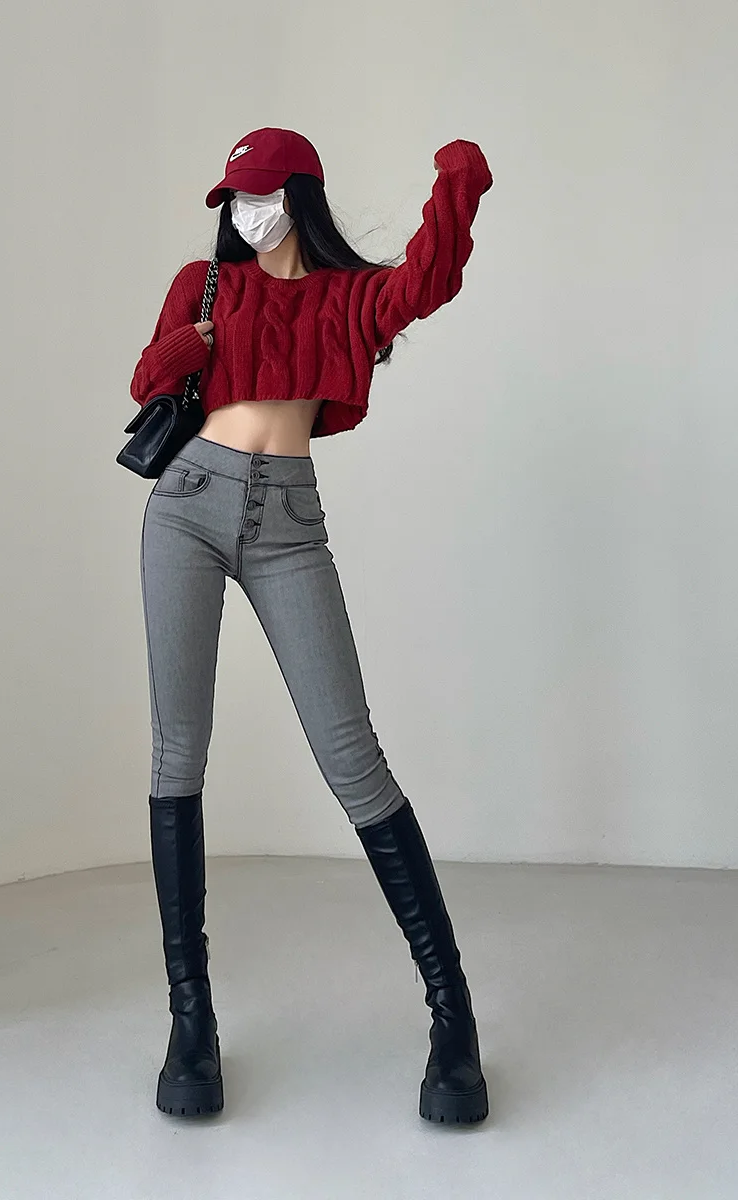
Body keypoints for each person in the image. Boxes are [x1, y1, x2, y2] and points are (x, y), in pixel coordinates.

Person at [129, 126, 493, 1124]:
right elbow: (147, 381)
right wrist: (190, 347)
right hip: (185, 507)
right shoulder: (204, 287)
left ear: (299, 196)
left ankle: (453, 1017)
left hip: (288, 524)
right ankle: (191, 1020)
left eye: (260, 197)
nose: (245, 216)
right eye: (233, 202)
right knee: (177, 755)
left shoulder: (346, 297)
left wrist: (457, 180)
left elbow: (428, 279)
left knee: (353, 761)